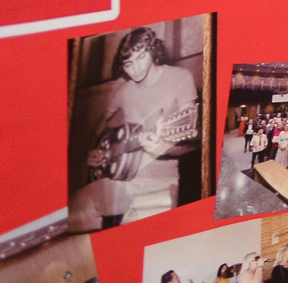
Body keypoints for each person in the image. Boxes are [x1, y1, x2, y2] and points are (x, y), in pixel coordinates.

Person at [71, 26, 200, 230]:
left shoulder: (180, 78)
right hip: (120, 180)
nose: (136, 69)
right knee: (76, 209)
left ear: (153, 51)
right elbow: (103, 125)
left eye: (141, 57)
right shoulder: (123, 91)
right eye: (129, 63)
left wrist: (164, 147)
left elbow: (196, 139)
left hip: (159, 184)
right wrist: (97, 150)